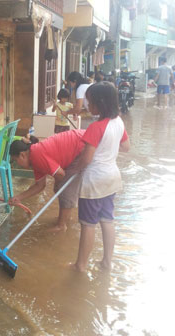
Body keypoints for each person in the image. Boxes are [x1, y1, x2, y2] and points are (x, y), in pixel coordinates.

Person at [71, 81, 130, 272]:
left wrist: (76, 169)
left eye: (90, 101)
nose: (88, 105)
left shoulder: (96, 127)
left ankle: (80, 265)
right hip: (112, 178)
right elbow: (126, 147)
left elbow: (86, 159)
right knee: (107, 220)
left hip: (95, 180)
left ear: (101, 103)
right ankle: (107, 262)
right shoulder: (119, 122)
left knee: (88, 224)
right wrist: (109, 146)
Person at [8, 130, 85, 232]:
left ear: (22, 155)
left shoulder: (36, 155)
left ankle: (61, 226)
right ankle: (66, 219)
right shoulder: (33, 157)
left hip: (82, 146)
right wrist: (18, 197)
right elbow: (40, 185)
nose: (17, 164)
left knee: (65, 188)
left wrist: (57, 184)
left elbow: (60, 174)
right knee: (60, 187)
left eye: (16, 160)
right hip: (79, 142)